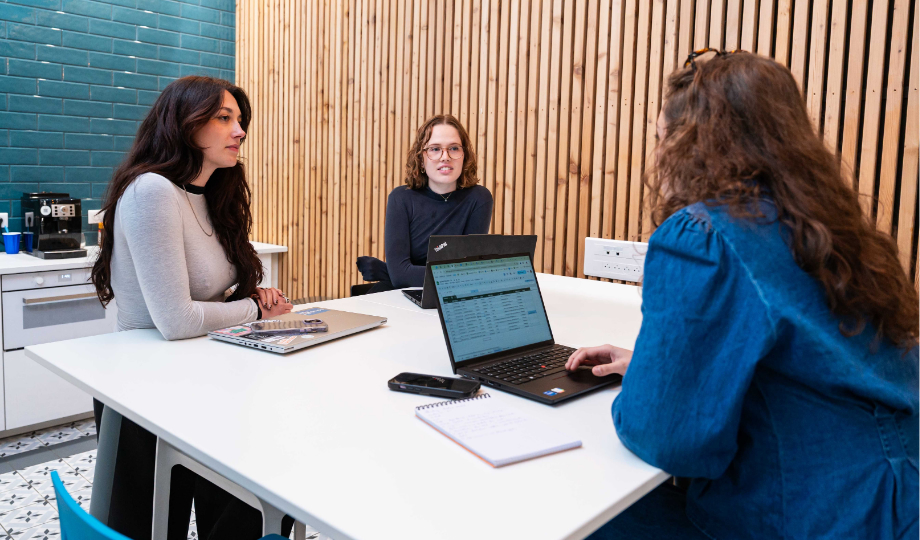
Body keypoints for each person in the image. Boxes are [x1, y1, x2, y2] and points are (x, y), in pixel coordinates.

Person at [567, 50, 919, 539]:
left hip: (808, 517)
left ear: (688, 146)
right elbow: (802, 365)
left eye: (659, 138)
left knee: (576, 507)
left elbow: (668, 440)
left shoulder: (704, 236)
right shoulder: (833, 232)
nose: (656, 156)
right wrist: (651, 365)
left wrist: (649, 391)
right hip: (894, 502)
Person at [90, 76, 294, 540]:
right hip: (145, 393)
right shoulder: (151, 190)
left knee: (253, 505)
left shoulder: (210, 193)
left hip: (199, 381)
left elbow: (207, 296)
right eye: (224, 118)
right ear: (184, 124)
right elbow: (177, 320)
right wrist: (254, 311)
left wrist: (251, 299)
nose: (240, 130)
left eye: (239, 120)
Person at [356, 114, 493, 292]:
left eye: (454, 148)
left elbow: (468, 272)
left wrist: (393, 272)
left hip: (452, 296)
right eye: (435, 149)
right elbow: (400, 277)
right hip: (399, 294)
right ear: (421, 159)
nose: (445, 157)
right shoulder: (401, 198)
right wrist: (399, 274)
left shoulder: (479, 198)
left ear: (464, 156)